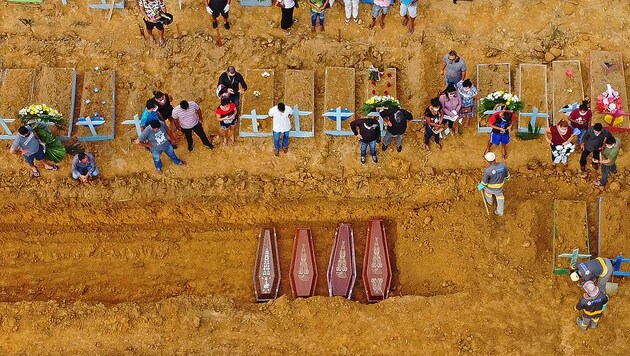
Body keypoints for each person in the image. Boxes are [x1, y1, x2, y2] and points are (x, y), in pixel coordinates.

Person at [477, 152, 510, 216]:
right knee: (500, 197)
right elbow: (507, 176)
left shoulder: (487, 170)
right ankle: (500, 212)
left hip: (489, 188)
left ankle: (490, 202)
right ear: (495, 158)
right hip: (499, 188)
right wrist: (507, 179)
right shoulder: (503, 165)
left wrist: (480, 186)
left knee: (487, 193)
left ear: (488, 161)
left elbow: (484, 182)